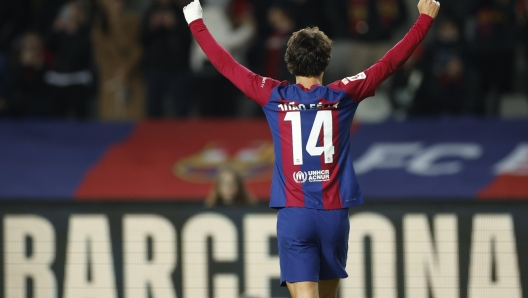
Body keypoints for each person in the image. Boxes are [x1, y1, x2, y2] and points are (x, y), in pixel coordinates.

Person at [183, 0, 439, 297]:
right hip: (334, 215)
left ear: (290, 63)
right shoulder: (343, 94)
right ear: (325, 62)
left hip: (296, 215)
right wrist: (423, 20)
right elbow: (390, 62)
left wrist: (195, 22)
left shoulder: (274, 95)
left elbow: (226, 64)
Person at [92, 0, 144, 121]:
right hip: (110, 79)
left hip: (131, 79)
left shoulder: (132, 21)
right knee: (110, 119)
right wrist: (114, 71)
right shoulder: (100, 27)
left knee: (133, 121)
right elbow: (100, 55)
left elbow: (137, 48)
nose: (113, 6)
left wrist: (125, 69)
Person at [141, 0, 193, 118]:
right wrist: (152, 26)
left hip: (178, 69)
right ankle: (154, 136)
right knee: (154, 109)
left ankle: (182, 135)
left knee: (181, 109)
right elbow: (141, 39)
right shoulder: (150, 11)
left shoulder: (181, 11)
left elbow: (189, 39)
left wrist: (174, 25)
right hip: (154, 68)